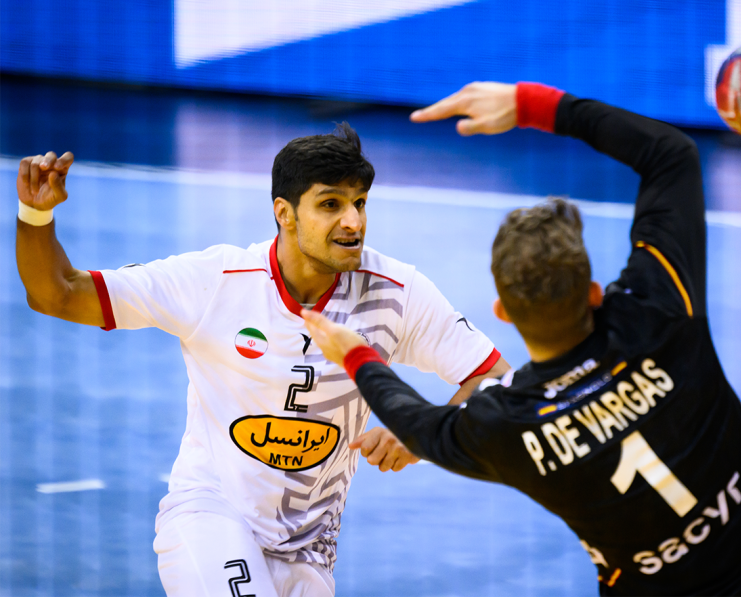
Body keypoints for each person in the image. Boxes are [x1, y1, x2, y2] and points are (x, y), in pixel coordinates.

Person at [300, 82, 741, 597]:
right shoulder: (657, 309)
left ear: (502, 310)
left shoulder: (504, 426)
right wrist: (529, 104)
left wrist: (354, 353)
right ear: (594, 292)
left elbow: (416, 422)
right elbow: (669, 155)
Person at [15, 124, 509, 597]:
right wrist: (36, 216)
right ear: (285, 212)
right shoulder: (216, 281)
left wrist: (426, 430)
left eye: (359, 203)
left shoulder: (396, 294)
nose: (354, 221)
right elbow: (57, 293)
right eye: (331, 204)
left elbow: (495, 380)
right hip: (211, 518)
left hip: (309, 550)